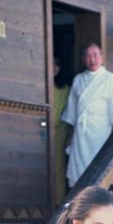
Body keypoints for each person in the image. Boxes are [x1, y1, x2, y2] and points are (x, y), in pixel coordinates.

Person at [61, 43, 113, 188]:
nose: (92, 59)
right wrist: (69, 138)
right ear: (84, 60)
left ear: (101, 58)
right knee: (78, 172)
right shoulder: (78, 80)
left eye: (95, 55)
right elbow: (72, 112)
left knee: (99, 173)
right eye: (88, 56)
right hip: (81, 135)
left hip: (100, 133)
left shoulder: (110, 79)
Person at [53, 56, 70, 205]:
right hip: (44, 130)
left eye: (56, 65)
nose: (54, 68)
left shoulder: (64, 89)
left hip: (59, 132)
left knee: (59, 168)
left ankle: (58, 204)